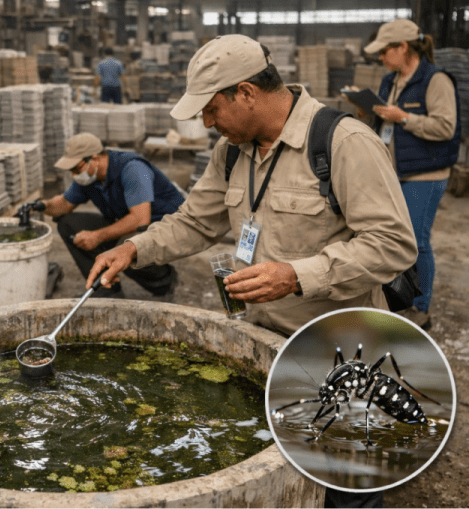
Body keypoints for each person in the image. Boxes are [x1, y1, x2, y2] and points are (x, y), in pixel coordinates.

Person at [86, 34, 418, 508]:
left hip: (337, 347)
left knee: (346, 473)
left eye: (211, 109)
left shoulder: (343, 142)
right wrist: (134, 248)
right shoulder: (231, 152)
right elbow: (195, 221)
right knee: (291, 463)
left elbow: (393, 243)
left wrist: (296, 275)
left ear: (246, 92)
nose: (207, 123)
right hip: (265, 339)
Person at [361, 19, 460, 330]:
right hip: (393, 171)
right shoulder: (389, 81)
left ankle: (420, 308)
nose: (380, 58)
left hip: (425, 174)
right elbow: (384, 126)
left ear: (403, 47)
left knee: (417, 241)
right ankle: (399, 299)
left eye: (384, 51)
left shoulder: (435, 80)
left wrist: (403, 117)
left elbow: (445, 127)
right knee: (393, 238)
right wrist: (368, 112)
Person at [29, 132, 184, 299]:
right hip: (136, 225)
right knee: (68, 224)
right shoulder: (89, 176)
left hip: (168, 229)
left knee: (126, 245)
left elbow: (140, 219)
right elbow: (64, 204)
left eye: (77, 169)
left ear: (95, 159)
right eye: (71, 170)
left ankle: (163, 283)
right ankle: (106, 289)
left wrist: (97, 236)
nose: (74, 175)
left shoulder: (133, 169)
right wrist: (38, 206)